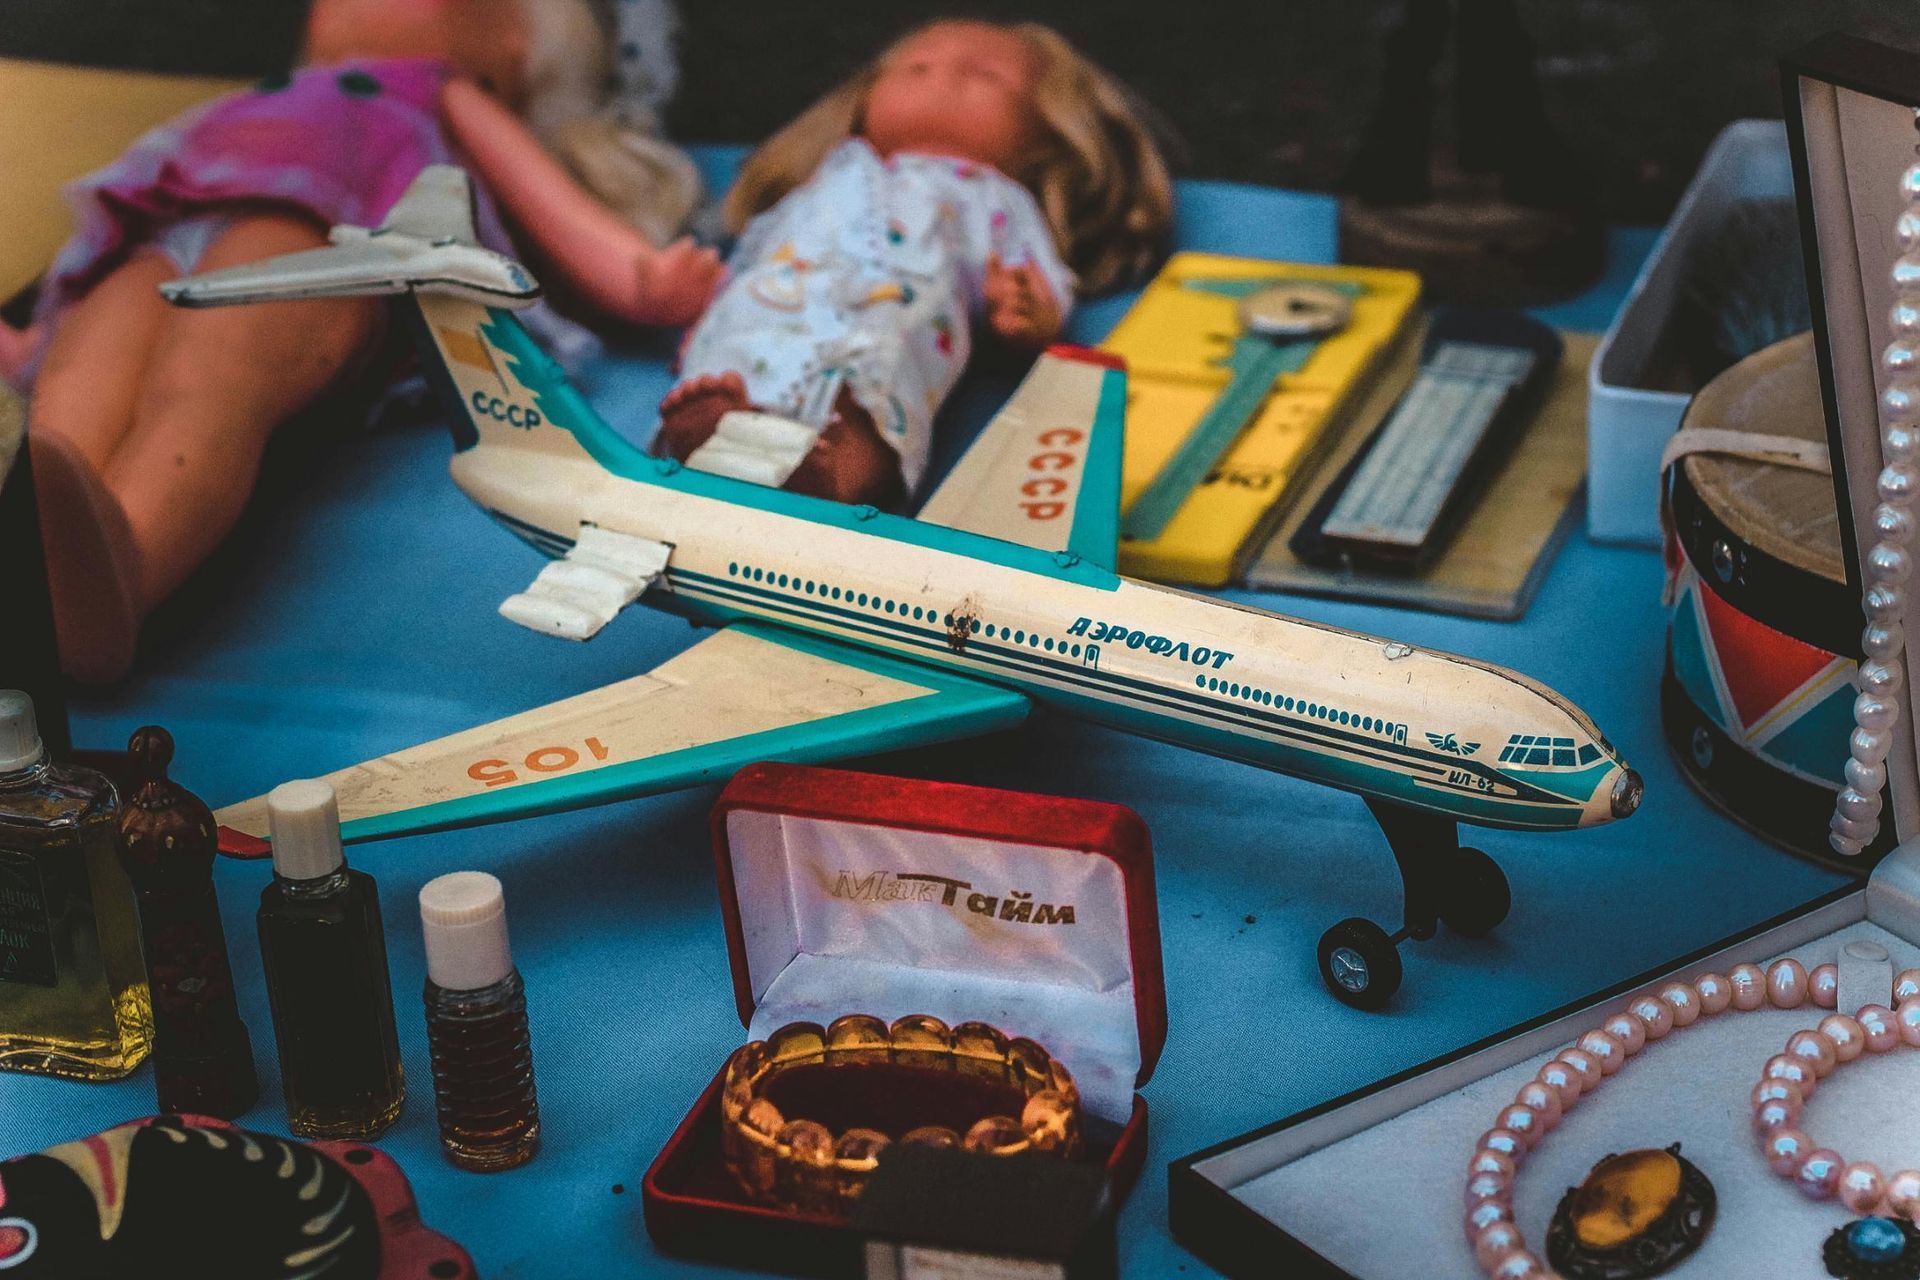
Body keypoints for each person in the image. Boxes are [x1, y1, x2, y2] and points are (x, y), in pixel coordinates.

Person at [5, 0, 721, 682]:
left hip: (316, 236)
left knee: (209, 379)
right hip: (159, 236)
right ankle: (36, 575)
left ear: (515, 44)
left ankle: (128, 565)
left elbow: (546, 202)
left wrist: (639, 280)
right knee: (75, 387)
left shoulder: (440, 90)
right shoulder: (256, 94)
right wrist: (35, 340)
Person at [654, 19, 1172, 507]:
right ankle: (705, 432)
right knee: (736, 347)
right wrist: (705, 306)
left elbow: (1041, 279)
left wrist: (1028, 311)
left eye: (985, 77)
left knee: (876, 395)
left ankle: (833, 481)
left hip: (896, 319)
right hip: (779, 299)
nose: (943, 77)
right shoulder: (833, 171)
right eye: (915, 69)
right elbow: (758, 251)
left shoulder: (998, 198)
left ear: (1046, 134)